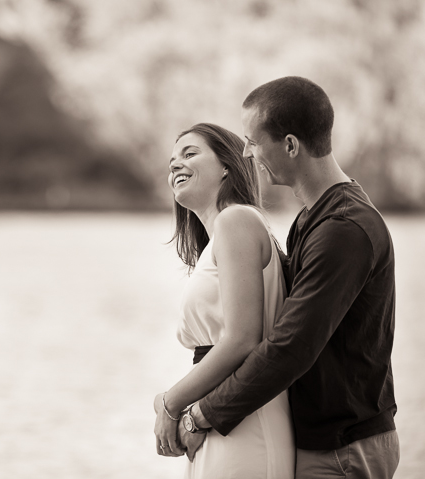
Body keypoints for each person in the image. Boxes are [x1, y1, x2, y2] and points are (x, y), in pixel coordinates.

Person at [184, 76, 399, 478]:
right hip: (320, 440)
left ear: (290, 145)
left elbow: (290, 347)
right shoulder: (312, 219)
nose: (248, 153)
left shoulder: (344, 227)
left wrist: (201, 413)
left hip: (343, 447)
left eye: (253, 141)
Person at [153, 123, 296, 478]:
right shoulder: (220, 237)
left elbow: (242, 339)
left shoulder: (237, 220)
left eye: (189, 154)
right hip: (215, 416)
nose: (175, 165)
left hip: (245, 423)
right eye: (172, 160)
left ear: (227, 166)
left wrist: (170, 404)